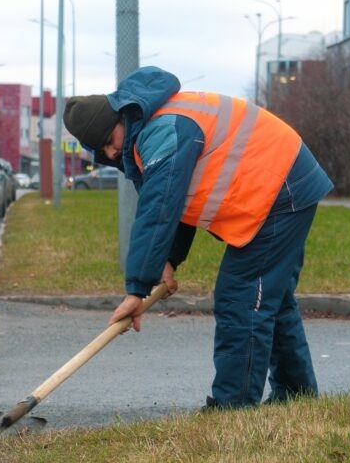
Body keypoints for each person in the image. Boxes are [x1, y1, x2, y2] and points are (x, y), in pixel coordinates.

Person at [62, 66, 333, 410]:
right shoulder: (151, 130)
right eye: (101, 151)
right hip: (282, 183)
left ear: (121, 119)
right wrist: (168, 260)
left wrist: (137, 289)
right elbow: (178, 205)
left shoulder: (163, 132)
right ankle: (295, 394)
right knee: (269, 297)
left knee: (241, 296)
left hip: (281, 188)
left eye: (109, 142)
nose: (112, 153)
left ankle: (234, 407)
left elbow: (159, 210)